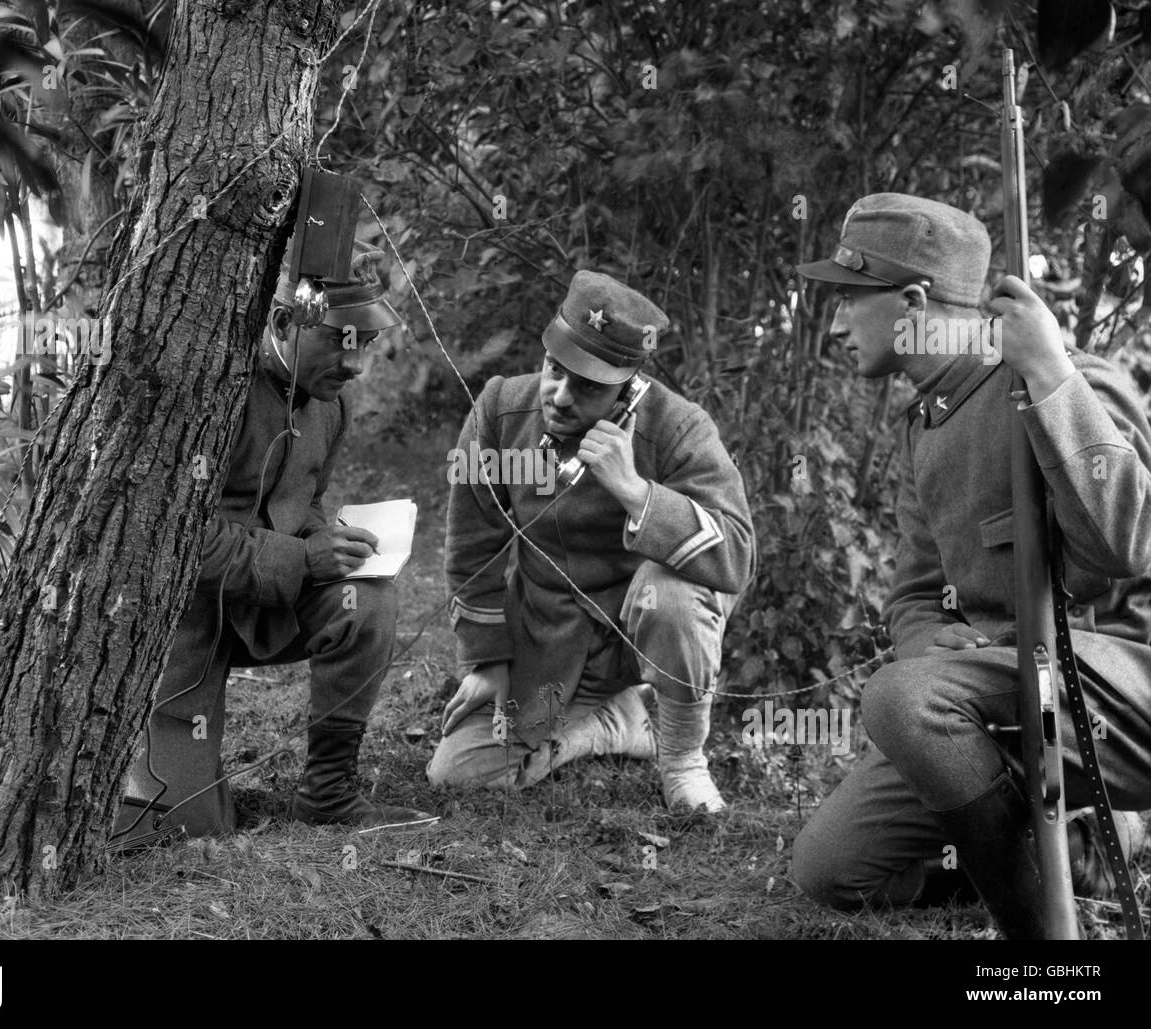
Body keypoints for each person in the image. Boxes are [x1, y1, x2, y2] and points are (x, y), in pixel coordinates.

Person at [791, 192, 1151, 937]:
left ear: (915, 300)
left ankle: (1040, 935)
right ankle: (1060, 853)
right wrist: (927, 643)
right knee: (830, 867)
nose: (834, 322)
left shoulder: (1068, 377)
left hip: (1111, 689)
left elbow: (1131, 542)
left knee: (902, 700)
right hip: (997, 699)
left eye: (849, 299)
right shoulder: (926, 427)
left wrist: (1051, 374)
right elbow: (914, 593)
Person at [112, 242, 431, 849]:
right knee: (180, 825)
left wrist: (324, 539)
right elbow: (175, 538)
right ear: (284, 322)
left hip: (269, 605)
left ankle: (329, 792)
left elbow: (301, 499)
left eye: (366, 342)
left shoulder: (330, 406)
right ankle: (172, 773)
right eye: (342, 339)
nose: (357, 362)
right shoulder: (211, 394)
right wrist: (303, 558)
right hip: (185, 624)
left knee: (367, 604)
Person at [427, 271, 755, 811]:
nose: (559, 396)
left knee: (669, 594)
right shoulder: (500, 410)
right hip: (548, 639)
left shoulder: (677, 428)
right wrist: (485, 662)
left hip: (639, 636)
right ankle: (613, 723)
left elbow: (737, 555)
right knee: (460, 772)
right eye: (555, 370)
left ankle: (681, 757)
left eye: (588, 386)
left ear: (628, 388)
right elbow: (471, 546)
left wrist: (635, 492)